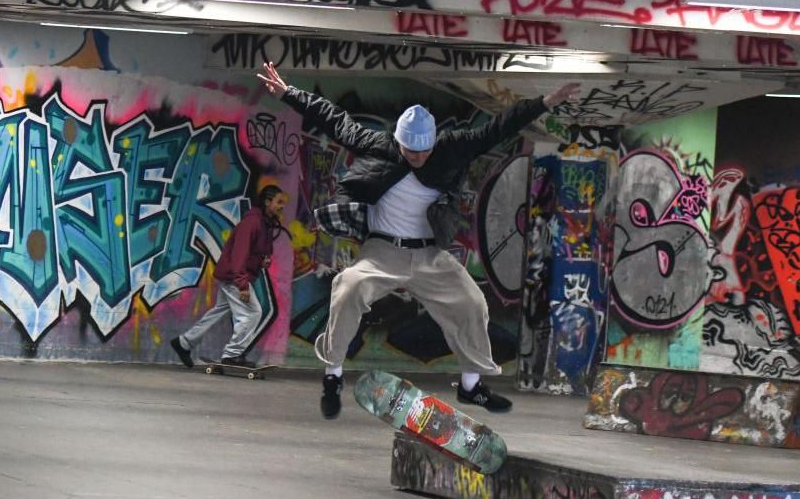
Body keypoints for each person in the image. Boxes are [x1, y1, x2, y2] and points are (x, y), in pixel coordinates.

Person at [257, 61, 579, 419]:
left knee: (473, 303)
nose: (419, 158)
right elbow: (334, 120)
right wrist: (290, 93)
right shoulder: (376, 145)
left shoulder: (451, 149)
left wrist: (545, 103)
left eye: (424, 152)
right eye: (412, 153)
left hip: (429, 255)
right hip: (382, 252)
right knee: (347, 288)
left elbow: (498, 128)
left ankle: (472, 386)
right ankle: (332, 375)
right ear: (398, 142)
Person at [169, 184, 287, 368]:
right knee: (253, 313)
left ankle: (184, 343)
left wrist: (262, 261)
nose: (282, 206)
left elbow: (256, 251)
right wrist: (242, 284)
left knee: (219, 311)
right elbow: (238, 255)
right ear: (267, 202)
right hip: (235, 277)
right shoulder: (252, 223)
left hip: (235, 275)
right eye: (279, 202)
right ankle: (232, 354)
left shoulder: (264, 223)